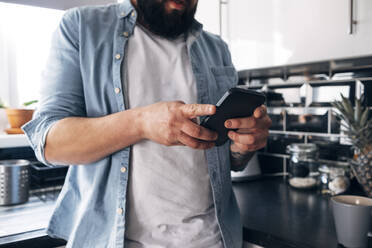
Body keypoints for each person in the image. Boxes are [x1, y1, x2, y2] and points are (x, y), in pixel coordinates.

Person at [23, 0, 272, 247]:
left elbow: (229, 162)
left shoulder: (216, 48)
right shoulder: (81, 27)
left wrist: (243, 146)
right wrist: (140, 122)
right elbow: (50, 144)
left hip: (214, 241)